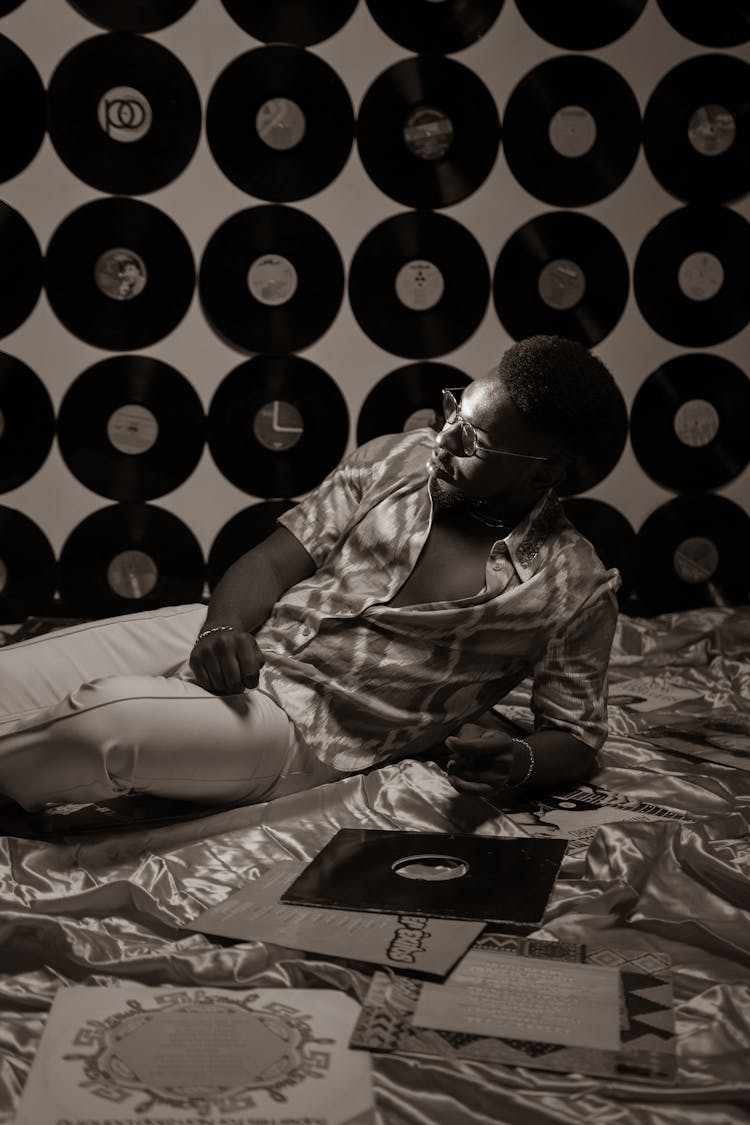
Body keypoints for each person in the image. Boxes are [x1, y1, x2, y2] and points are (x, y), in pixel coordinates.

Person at [0, 335, 625, 814]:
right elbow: (273, 560)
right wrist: (223, 627)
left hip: (302, 732)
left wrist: (519, 759)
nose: (443, 440)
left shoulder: (574, 588)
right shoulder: (393, 458)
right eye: (454, 411)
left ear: (544, 475)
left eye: (472, 441)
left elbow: (573, 735)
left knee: (104, 722)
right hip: (238, 636)